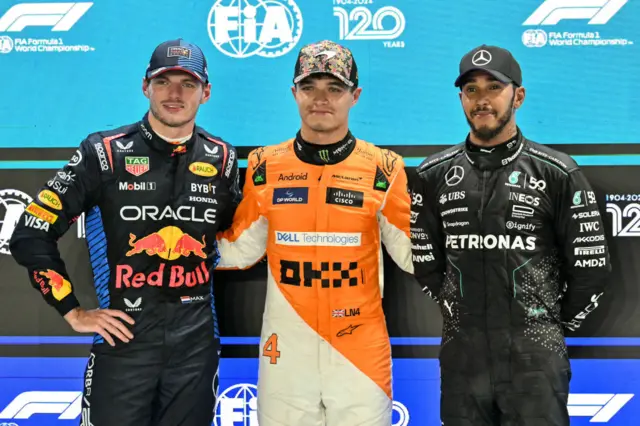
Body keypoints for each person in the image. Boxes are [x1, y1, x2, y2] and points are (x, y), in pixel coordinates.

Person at [10, 39, 241, 426]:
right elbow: (30, 232)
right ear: (145, 86)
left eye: (187, 83)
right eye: (164, 80)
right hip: (123, 347)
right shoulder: (104, 153)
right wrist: (73, 311)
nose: (174, 93)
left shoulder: (223, 158)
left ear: (206, 92)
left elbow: (234, 238)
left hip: (195, 351)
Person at [410, 44, 611, 426]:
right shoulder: (433, 173)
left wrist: (545, 325)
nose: (481, 100)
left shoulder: (558, 171)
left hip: (535, 359)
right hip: (462, 357)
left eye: (493, 88)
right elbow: (425, 261)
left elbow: (591, 270)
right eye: (471, 90)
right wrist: (460, 312)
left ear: (518, 95)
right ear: (461, 98)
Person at [216, 40, 413, 426]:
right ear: (294, 93)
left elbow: (413, 254)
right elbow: (238, 249)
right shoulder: (264, 165)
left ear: (355, 96)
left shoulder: (385, 168)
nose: (320, 99)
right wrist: (166, 240)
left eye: (334, 89)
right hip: (286, 352)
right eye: (309, 87)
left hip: (359, 351)